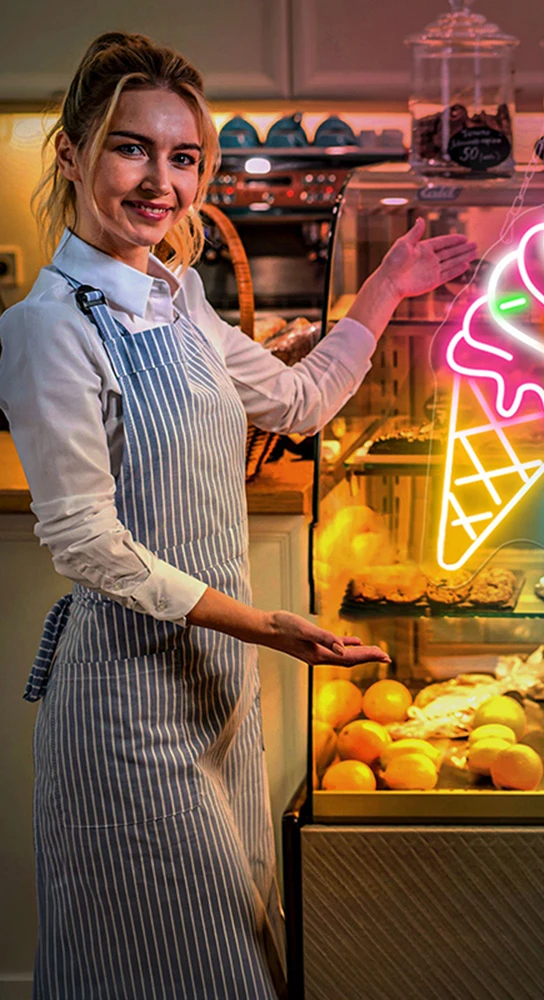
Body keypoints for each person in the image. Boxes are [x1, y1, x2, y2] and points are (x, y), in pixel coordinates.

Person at [0, 32, 476, 1000]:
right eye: (133, 148)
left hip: (217, 687)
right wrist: (265, 626)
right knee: (183, 967)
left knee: (236, 941)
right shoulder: (46, 327)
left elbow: (300, 405)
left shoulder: (180, 302)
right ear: (72, 151)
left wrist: (388, 287)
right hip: (127, 703)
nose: (161, 183)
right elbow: (88, 542)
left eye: (183, 158)